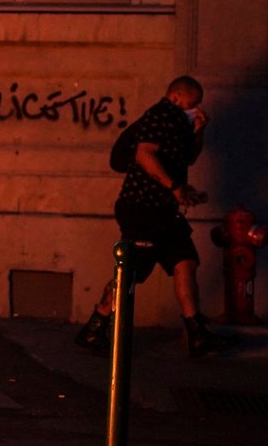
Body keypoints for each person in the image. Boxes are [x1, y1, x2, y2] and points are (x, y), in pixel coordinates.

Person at [75, 75, 233, 358]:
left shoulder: (180, 124)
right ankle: (95, 326)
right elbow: (145, 155)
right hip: (142, 209)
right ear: (175, 98)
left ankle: (197, 334)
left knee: (186, 263)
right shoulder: (159, 116)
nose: (195, 109)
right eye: (192, 104)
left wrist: (198, 131)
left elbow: (189, 158)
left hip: (164, 212)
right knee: (131, 272)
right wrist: (174, 187)